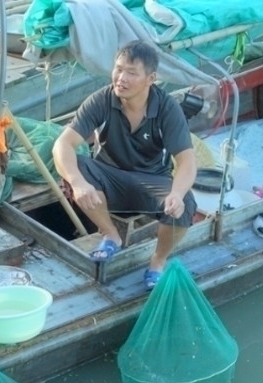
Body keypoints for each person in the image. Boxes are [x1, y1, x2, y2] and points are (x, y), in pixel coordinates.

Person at [52, 40, 197, 290]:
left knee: (185, 206)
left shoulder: (166, 108)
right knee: (74, 169)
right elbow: (62, 145)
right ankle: (110, 235)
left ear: (151, 78)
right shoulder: (101, 100)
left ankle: (157, 261)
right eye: (118, 69)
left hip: (151, 182)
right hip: (108, 178)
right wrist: (77, 182)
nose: (121, 78)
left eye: (132, 73)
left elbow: (186, 160)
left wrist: (177, 193)